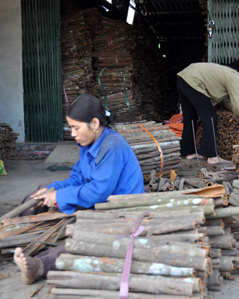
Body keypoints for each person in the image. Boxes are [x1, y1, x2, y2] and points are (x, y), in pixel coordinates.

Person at [13, 94, 145, 284]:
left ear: (94, 123)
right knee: (41, 191)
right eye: (71, 128)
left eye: (76, 128)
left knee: (90, 236)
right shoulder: (88, 143)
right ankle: (17, 235)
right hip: (100, 203)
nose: (73, 133)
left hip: (120, 212)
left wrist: (59, 196)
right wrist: (51, 189)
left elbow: (99, 191)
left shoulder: (112, 146)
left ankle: (40, 266)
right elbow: (77, 177)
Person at [176, 59, 239, 164]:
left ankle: (189, 152)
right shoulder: (235, 77)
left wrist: (235, 112)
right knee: (210, 118)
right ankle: (211, 155)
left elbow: (226, 101)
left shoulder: (228, 73)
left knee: (190, 118)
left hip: (184, 77)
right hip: (194, 81)